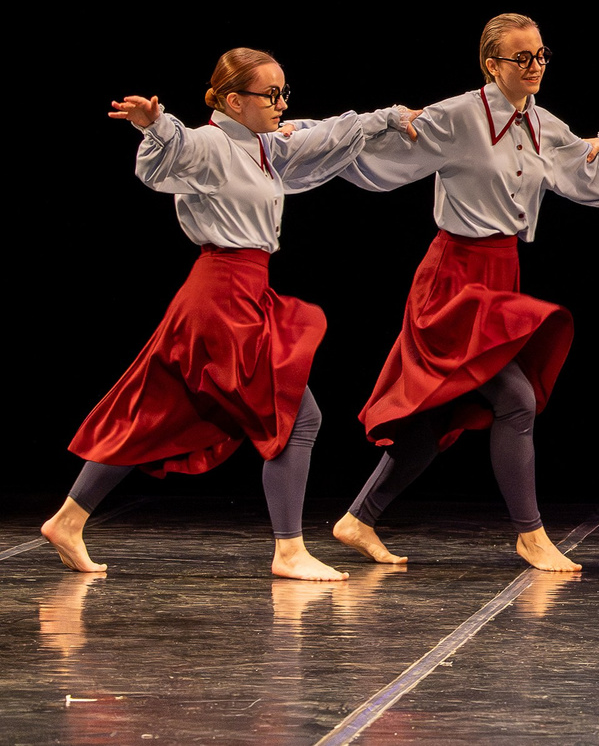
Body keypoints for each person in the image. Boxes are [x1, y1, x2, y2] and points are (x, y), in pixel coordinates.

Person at [43, 48, 405, 579]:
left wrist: (389, 118)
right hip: (222, 297)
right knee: (296, 416)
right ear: (234, 100)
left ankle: (68, 519)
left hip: (232, 293)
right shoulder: (210, 143)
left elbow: (321, 133)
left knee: (158, 408)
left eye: (284, 92)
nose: (282, 103)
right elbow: (172, 150)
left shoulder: (263, 144)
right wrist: (156, 124)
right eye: (271, 94)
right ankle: (289, 550)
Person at [329, 14, 599, 572]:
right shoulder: (458, 117)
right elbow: (376, 152)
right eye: (521, 58)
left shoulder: (544, 123)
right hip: (453, 282)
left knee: (437, 418)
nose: (535, 66)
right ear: (491, 65)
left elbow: (585, 169)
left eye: (541, 55)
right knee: (516, 399)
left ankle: (358, 519)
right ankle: (531, 534)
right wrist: (300, 135)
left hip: (502, 279)